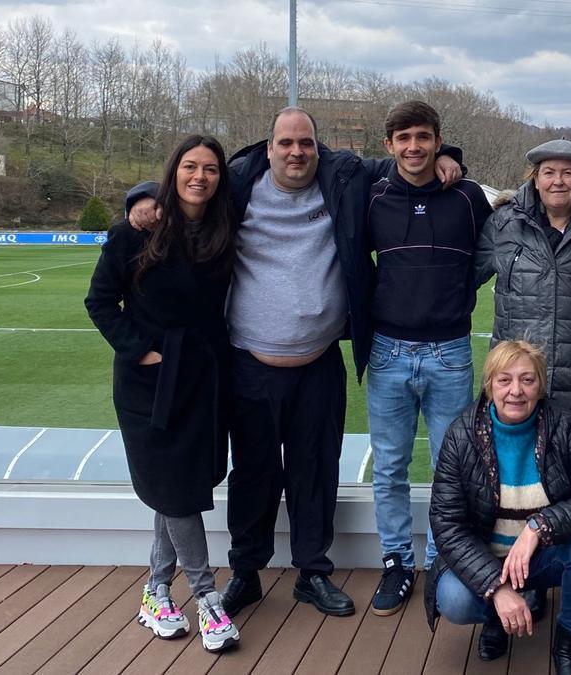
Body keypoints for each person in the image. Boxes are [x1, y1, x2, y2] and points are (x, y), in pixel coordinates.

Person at [124, 107, 463, 619]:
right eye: (286, 143)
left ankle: (312, 572)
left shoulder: (342, 176)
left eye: (305, 143)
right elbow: (189, 184)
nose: (296, 152)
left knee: (315, 471)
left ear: (317, 147)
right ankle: (246, 572)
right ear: (269, 147)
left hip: (320, 362)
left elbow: (404, 161)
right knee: (254, 473)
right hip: (249, 364)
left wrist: (449, 158)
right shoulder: (237, 181)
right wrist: (141, 196)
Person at [86, 135, 240, 653]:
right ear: (173, 171)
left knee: (175, 489)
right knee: (173, 489)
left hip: (204, 377)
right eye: (190, 167)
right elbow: (100, 301)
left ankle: (155, 591)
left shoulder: (222, 228)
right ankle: (207, 597)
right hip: (150, 384)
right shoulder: (138, 230)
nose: (200, 177)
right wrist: (141, 351)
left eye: (212, 169)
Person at [365, 100, 493, 617]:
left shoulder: (466, 197)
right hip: (388, 352)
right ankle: (397, 562)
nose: (413, 147)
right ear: (389, 145)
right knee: (390, 467)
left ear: (439, 140)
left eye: (423, 137)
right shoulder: (371, 197)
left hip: (450, 354)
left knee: (451, 468)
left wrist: (458, 293)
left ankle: (443, 560)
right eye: (403, 138)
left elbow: (494, 252)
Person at [426, 340, 571, 674]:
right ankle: (499, 618)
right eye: (505, 380)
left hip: (544, 555)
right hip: (489, 558)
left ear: (540, 386)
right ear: (488, 386)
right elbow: (447, 524)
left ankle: (569, 642)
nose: (516, 390)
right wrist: (496, 587)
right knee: (454, 600)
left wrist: (538, 527)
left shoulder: (564, 427)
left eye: (527, 380)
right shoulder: (461, 436)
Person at [475, 139, 571, 456]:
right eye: (548, 172)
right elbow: (462, 278)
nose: (557, 181)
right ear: (535, 179)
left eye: (567, 173)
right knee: (511, 472)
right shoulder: (504, 224)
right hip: (515, 381)